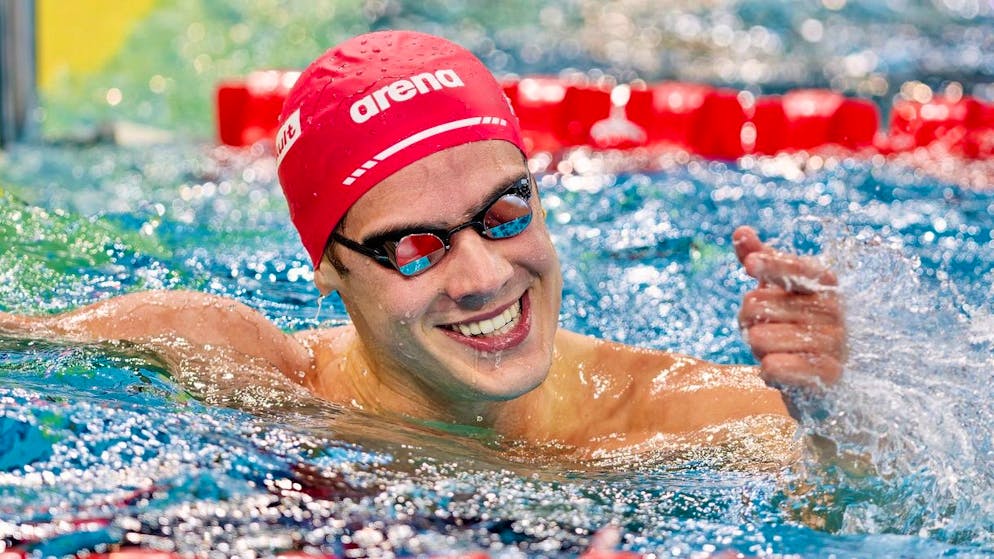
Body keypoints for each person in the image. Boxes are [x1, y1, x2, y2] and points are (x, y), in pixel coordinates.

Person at [0, 31, 843, 459]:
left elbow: (882, 497)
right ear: (326, 267)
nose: (483, 277)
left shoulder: (655, 414)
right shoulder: (258, 376)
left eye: (506, 212)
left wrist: (840, 416)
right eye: (413, 247)